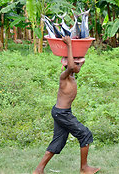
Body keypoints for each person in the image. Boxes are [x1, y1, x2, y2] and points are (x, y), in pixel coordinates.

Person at [33, 36, 100, 174]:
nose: (79, 66)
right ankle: (84, 168)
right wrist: (69, 45)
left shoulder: (72, 77)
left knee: (59, 141)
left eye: (81, 64)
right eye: (77, 64)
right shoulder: (64, 76)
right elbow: (71, 66)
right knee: (85, 134)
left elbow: (72, 66)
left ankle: (38, 170)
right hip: (62, 114)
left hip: (62, 113)